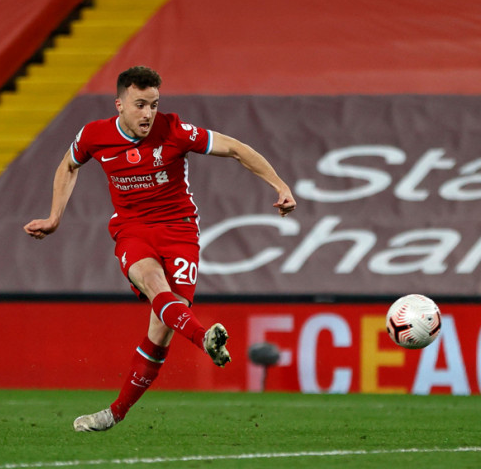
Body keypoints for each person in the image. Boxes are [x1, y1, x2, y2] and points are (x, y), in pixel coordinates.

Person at [23, 66, 296, 432]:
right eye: (140, 105)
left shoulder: (175, 130)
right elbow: (68, 166)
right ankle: (204, 338)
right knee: (155, 287)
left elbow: (235, 149)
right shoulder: (94, 135)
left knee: (162, 328)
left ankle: (115, 412)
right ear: (119, 104)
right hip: (132, 230)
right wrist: (55, 216)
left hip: (180, 231)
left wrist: (279, 185)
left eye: (154, 104)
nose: (149, 114)